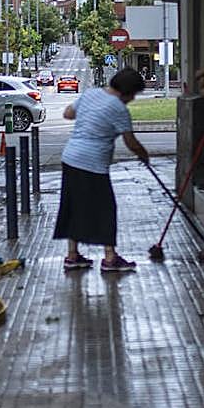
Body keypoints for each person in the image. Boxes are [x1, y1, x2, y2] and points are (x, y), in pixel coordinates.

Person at [54, 67, 151, 273]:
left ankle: (72, 255)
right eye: (133, 94)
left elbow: (68, 113)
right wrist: (144, 155)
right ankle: (110, 258)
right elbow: (131, 142)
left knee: (73, 206)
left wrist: (88, 115)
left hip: (70, 157)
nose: (133, 99)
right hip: (93, 164)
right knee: (106, 209)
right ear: (127, 91)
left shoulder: (91, 94)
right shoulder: (118, 108)